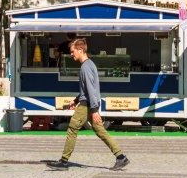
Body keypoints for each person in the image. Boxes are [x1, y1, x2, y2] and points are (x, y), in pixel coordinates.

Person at [50, 39, 129, 171]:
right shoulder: (90, 64)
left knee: (72, 129)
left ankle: (64, 162)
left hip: (86, 105)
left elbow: (90, 90)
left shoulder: (85, 67)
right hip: (88, 103)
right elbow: (88, 89)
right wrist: (75, 101)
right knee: (100, 131)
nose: (71, 54)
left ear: (80, 50)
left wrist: (93, 110)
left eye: (73, 51)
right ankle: (121, 157)